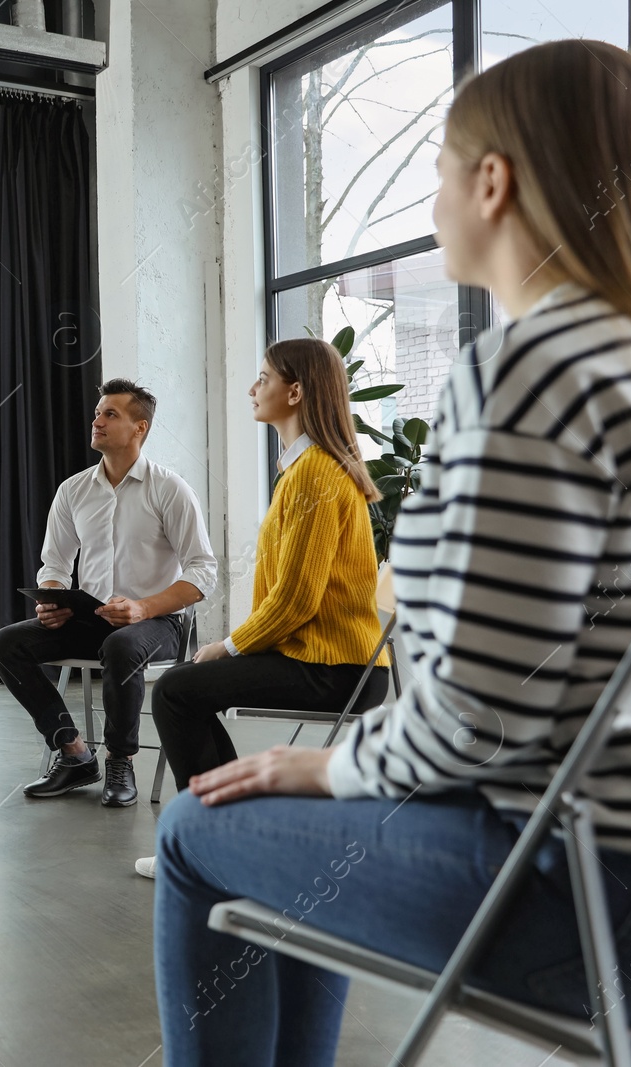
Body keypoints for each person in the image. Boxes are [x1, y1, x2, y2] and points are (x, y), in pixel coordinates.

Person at [153, 39, 631, 1066]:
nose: (432, 196)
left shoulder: (530, 372)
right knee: (305, 798)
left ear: (493, 181)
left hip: (578, 894)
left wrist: (337, 760)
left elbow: (479, 714)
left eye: (440, 166)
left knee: (188, 830)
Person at [134, 338, 390, 877]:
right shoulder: (302, 469)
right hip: (325, 661)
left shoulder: (316, 473)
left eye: (264, 378)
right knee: (185, 689)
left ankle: (214, 846)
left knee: (178, 691)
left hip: (332, 669)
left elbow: (295, 599)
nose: (253, 388)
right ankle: (234, 839)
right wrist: (229, 650)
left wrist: (226, 647)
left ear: (295, 392)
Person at [0, 379, 217, 806]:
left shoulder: (170, 489)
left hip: (156, 622)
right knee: (5, 643)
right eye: (97, 412)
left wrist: (143, 607)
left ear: (139, 427)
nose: (97, 420)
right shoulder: (73, 490)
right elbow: (54, 565)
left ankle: (120, 759)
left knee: (122, 645)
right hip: (90, 617)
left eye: (111, 414)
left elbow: (204, 572)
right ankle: (73, 753)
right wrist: (52, 600)